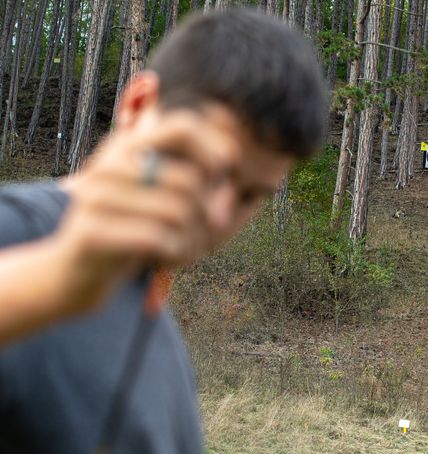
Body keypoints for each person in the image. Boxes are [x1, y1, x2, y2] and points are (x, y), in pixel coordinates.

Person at [0, 8, 327, 453]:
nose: (218, 215)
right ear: (138, 107)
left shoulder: (164, 346)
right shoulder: (13, 228)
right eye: (211, 168)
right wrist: (57, 276)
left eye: (250, 195)